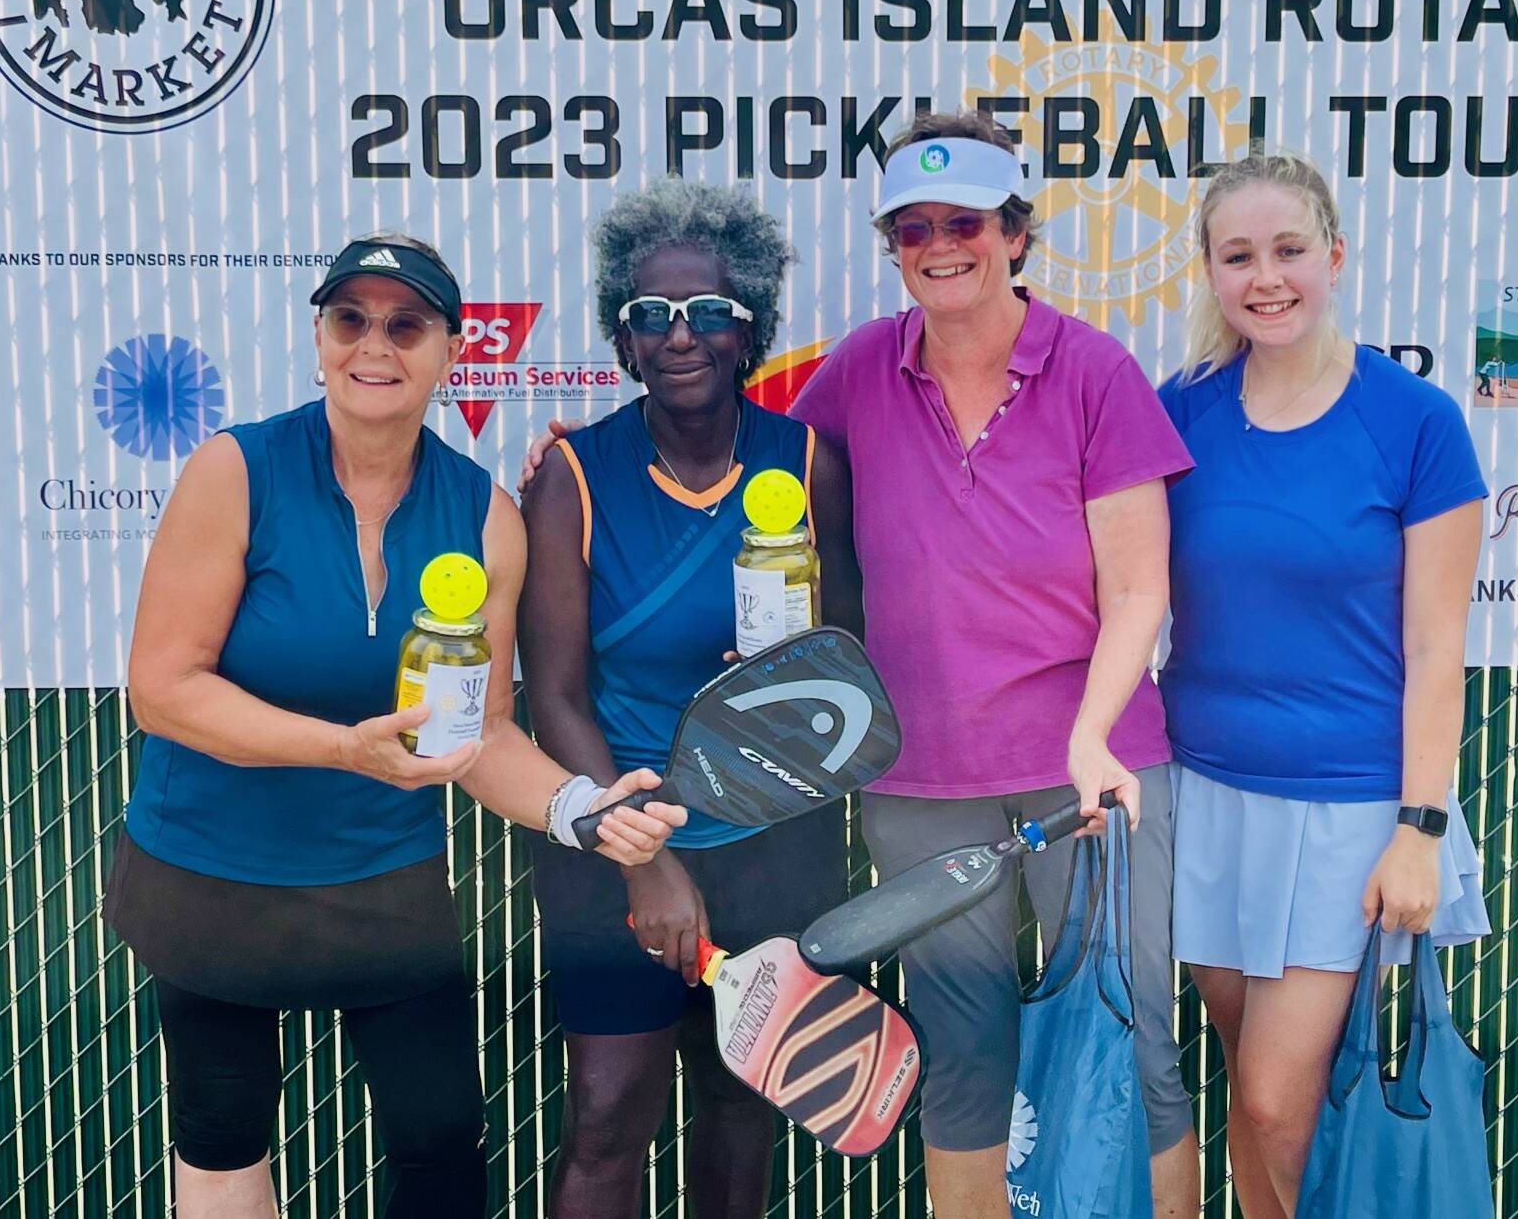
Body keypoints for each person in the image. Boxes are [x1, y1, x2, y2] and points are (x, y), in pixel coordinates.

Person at [521, 117, 1201, 1219]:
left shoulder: (1095, 371)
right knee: (966, 1058)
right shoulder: (853, 382)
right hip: (918, 787)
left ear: (1016, 234)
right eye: (914, 226)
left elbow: (1138, 588)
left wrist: (1092, 737)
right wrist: (560, 456)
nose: (941, 244)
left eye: (967, 222)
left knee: (1131, 1047)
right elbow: (736, 462)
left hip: (1091, 779)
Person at [109, 234, 684, 1219]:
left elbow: (483, 733)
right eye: (351, 319)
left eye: (406, 323)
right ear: (321, 337)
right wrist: (342, 748)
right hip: (212, 865)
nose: (375, 344)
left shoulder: (483, 513)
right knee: (222, 1124)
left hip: (382, 874)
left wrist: (583, 810)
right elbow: (162, 689)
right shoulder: (236, 469)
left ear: (453, 350)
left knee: (438, 1134)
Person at [1157, 151, 1492, 1219]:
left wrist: (1421, 826)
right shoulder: (1182, 412)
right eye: (1238, 254)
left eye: (1289, 250)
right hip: (1202, 795)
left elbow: (1440, 649)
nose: (1267, 277)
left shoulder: (1417, 422)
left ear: (1335, 256)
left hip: (1351, 810)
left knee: (1276, 1097)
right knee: (1246, 1088)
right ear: (1209, 272)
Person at [515, 180, 858, 1219]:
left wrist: (787, 685)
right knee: (609, 1115)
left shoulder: (806, 460)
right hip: (617, 833)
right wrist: (644, 855)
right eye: (651, 316)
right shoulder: (572, 473)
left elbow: (845, 661)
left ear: (746, 330)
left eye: (710, 312)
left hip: (771, 833)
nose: (682, 336)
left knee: (741, 1100)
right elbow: (555, 692)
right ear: (621, 341)